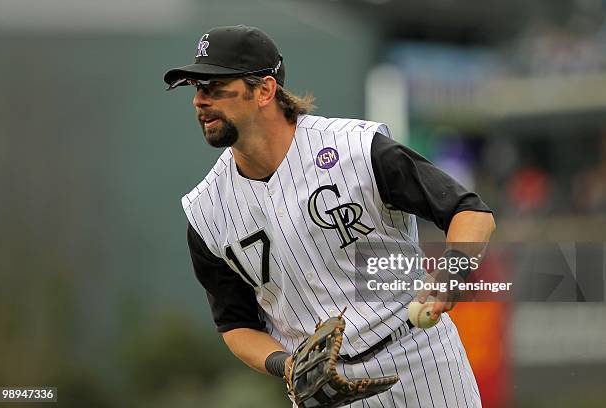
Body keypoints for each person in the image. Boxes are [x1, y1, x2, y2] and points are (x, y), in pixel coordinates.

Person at [164, 25, 495, 407]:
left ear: (265, 91)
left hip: (419, 360)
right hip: (323, 391)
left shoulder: (358, 151)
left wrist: (450, 275)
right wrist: (285, 364)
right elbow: (236, 325)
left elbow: (470, 211)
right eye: (196, 87)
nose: (200, 100)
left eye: (215, 86)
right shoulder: (207, 213)